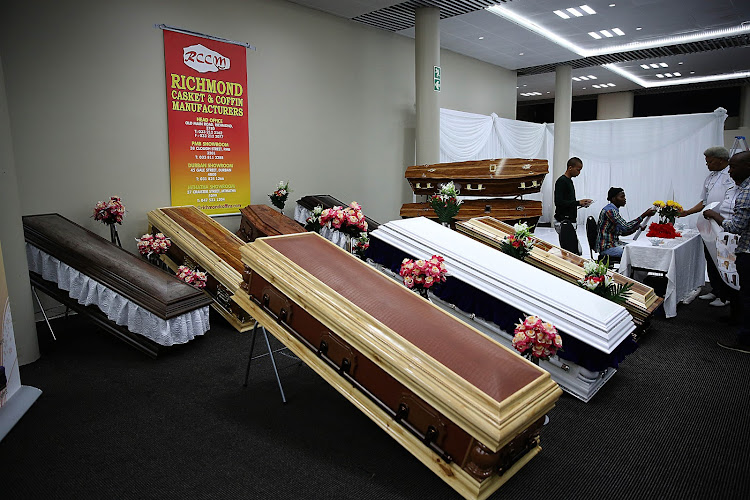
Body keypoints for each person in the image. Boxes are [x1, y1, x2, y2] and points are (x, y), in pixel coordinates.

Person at [703, 151, 750, 354]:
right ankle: (736, 318)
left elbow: (737, 226)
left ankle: (745, 340)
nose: (730, 171)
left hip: (745, 248)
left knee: (747, 295)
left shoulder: (746, 191)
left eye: (733, 167)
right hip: (740, 245)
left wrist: (715, 216)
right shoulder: (740, 187)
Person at [679, 146, 736, 307]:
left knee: (723, 259)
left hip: (723, 224)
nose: (707, 164)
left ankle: (727, 295)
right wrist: (687, 212)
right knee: (710, 257)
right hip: (708, 225)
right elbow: (704, 202)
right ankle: (716, 290)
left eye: (709, 161)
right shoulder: (710, 177)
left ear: (720, 160)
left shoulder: (731, 175)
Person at [596, 187, 657, 259]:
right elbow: (626, 227)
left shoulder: (613, 210)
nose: (624, 199)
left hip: (612, 245)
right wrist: (644, 215)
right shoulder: (610, 211)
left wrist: (637, 227)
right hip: (607, 248)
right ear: (613, 199)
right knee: (637, 253)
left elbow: (623, 232)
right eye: (622, 197)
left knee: (637, 249)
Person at [554, 157, 593, 253]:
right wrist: (578, 202)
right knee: (572, 252)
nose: (579, 173)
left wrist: (580, 204)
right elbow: (558, 202)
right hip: (564, 221)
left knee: (574, 251)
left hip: (569, 220)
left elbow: (567, 203)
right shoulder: (562, 181)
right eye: (578, 170)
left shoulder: (569, 181)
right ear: (570, 168)